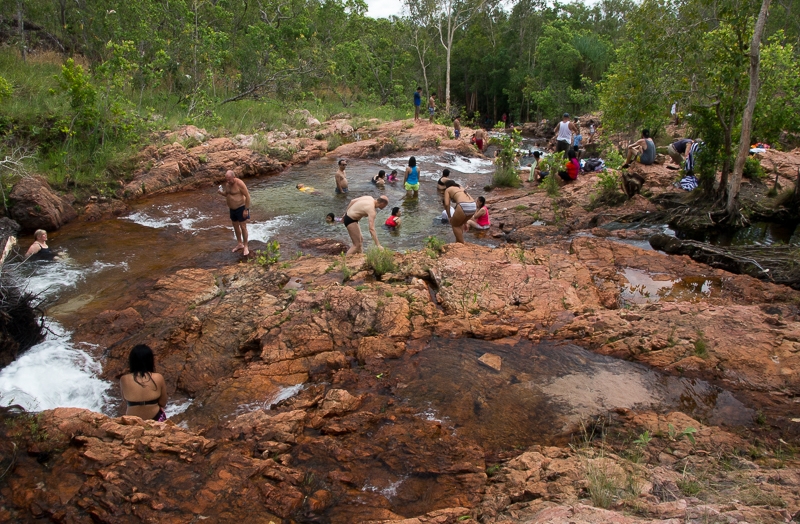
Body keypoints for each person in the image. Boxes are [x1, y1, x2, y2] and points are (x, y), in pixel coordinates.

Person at [120, 344, 168, 422]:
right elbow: (163, 402)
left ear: (132, 361)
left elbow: (125, 400)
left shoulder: (124, 379)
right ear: (150, 360)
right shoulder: (158, 377)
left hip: (132, 421)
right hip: (155, 419)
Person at [218, 170, 251, 256]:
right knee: (235, 226)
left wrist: (246, 209)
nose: (228, 181)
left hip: (241, 207)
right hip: (232, 209)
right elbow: (228, 194)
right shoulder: (228, 184)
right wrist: (221, 193)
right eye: (226, 179)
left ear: (234, 177)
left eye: (229, 179)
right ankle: (239, 244)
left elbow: (247, 196)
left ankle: (246, 246)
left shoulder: (239, 183)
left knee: (243, 227)